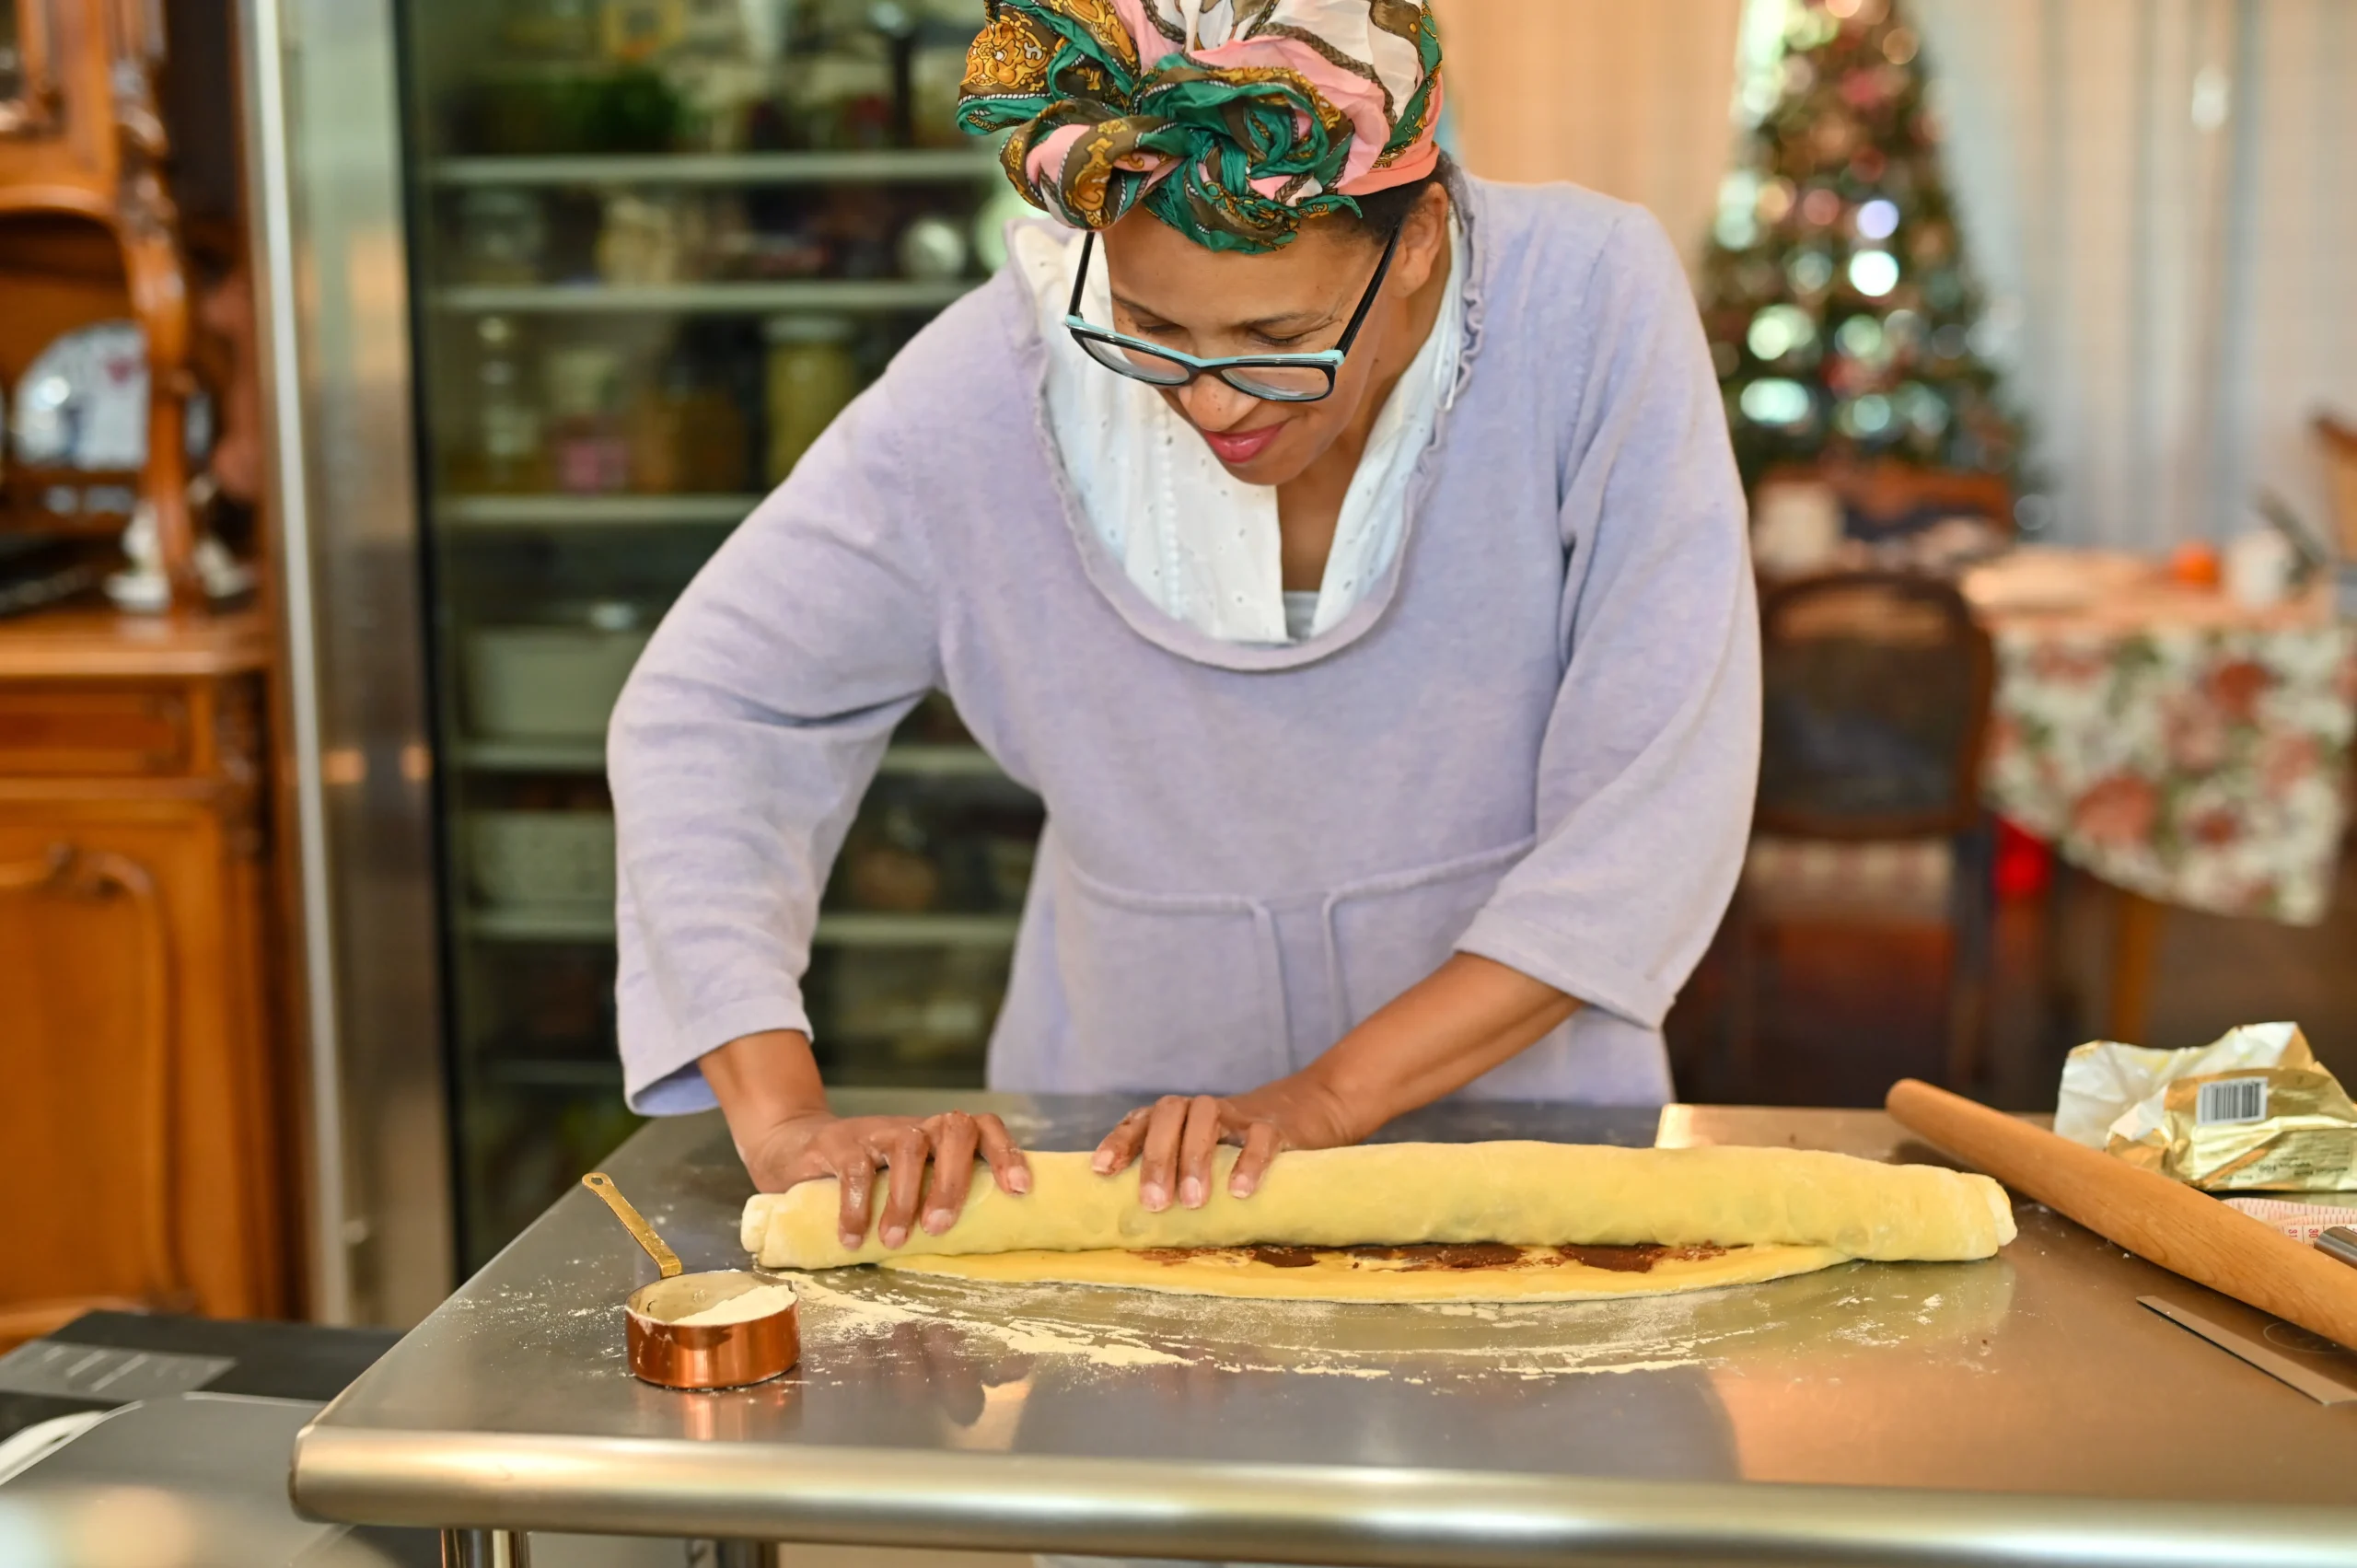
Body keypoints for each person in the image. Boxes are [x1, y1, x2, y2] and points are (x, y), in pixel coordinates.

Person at [609, 0, 1759, 1252]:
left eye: (1279, 340)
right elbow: (712, 709)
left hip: (1533, 1165)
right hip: (1111, 1172)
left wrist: (1319, 1100)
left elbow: (1652, 807)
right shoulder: (1000, 377)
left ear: (1420, 236)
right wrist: (780, 1121)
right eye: (1154, 333)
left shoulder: (1589, 309)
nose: (1212, 401)